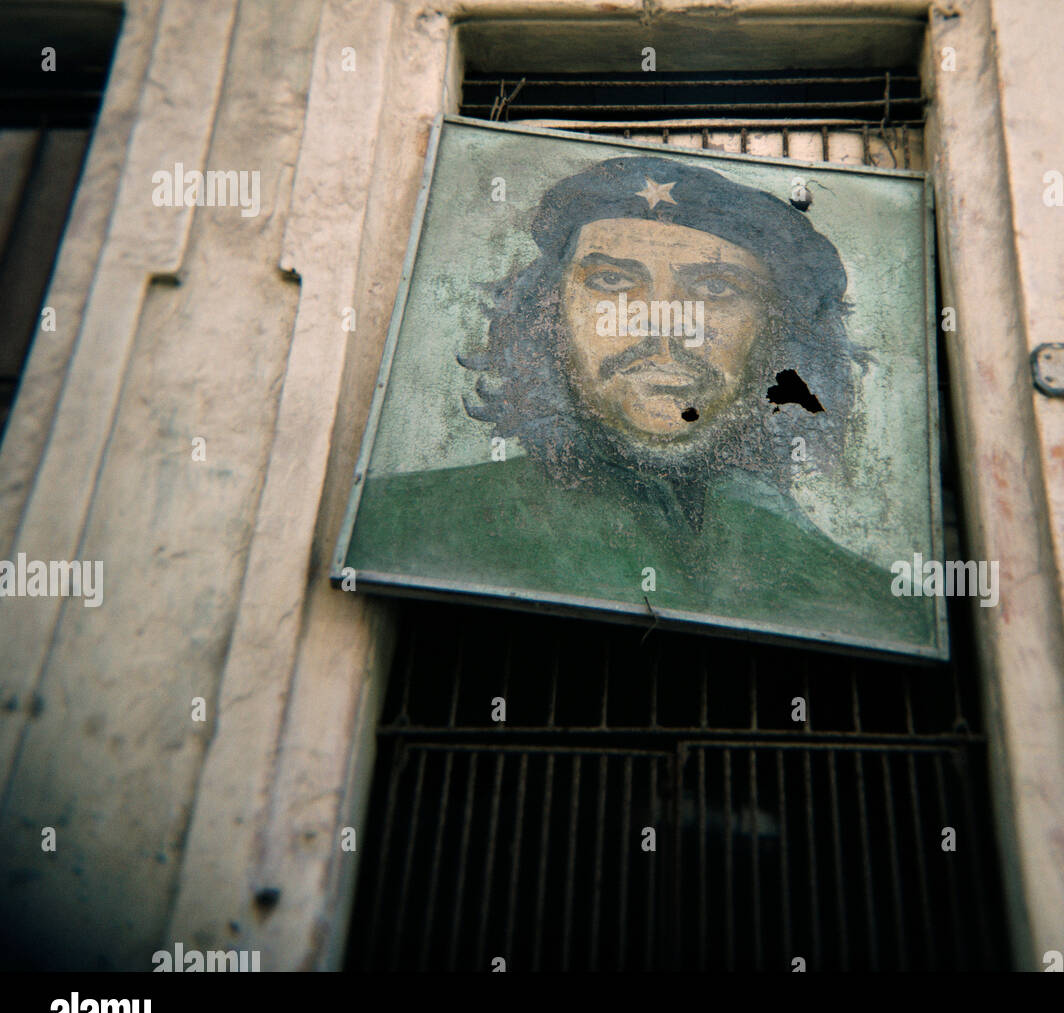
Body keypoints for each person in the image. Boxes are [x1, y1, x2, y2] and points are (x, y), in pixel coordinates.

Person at [347, 154, 934, 649]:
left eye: (712, 289)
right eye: (610, 282)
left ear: (780, 336)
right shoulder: (402, 528)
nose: (662, 330)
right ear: (546, 315)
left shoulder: (874, 609)